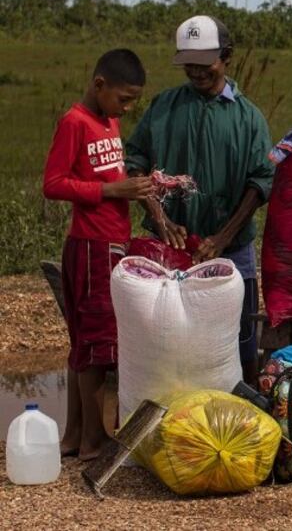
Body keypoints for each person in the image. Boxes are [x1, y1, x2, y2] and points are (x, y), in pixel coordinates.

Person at [125, 15, 275, 384]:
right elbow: (135, 165)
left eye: (204, 62)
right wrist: (160, 218)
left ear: (226, 57)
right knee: (169, 344)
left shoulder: (248, 118)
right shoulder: (164, 107)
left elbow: (260, 181)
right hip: (168, 250)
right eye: (188, 64)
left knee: (241, 343)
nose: (196, 72)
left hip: (232, 249)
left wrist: (222, 238)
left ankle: (244, 421)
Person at [43, 48, 153, 460]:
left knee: (83, 345)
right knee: (97, 346)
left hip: (109, 242)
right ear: (99, 84)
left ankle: (74, 435)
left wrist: (137, 186)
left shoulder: (108, 122)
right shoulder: (75, 122)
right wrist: (110, 191)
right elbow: (53, 183)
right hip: (91, 245)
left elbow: (110, 173)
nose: (126, 108)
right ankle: (95, 439)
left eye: (132, 103)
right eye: (123, 99)